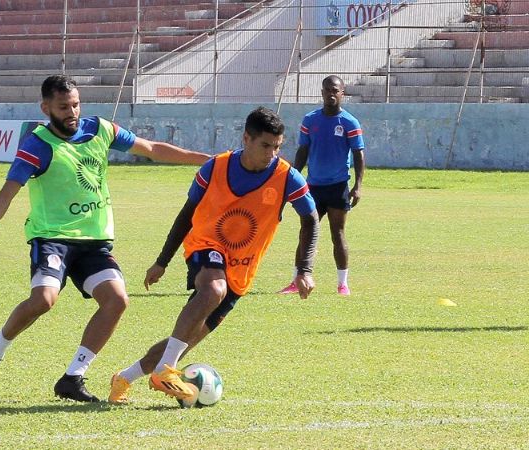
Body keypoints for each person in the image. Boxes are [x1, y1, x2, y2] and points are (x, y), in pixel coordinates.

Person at [0, 74, 210, 402]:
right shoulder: (37, 145)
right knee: (43, 300)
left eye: (76, 104)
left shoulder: (100, 129)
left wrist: (207, 160)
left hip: (94, 242)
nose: (72, 112)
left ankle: (73, 377)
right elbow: (8, 192)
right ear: (46, 107)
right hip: (52, 238)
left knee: (117, 300)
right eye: (63, 106)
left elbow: (151, 149)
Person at [108, 106, 319, 405]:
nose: (271, 153)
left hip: (241, 269)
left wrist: (304, 269)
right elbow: (186, 214)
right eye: (265, 146)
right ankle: (166, 372)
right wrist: (162, 260)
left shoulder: (287, 177)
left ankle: (124, 378)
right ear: (247, 138)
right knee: (213, 289)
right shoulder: (215, 168)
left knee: (185, 339)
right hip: (205, 246)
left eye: (277, 147)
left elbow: (310, 219)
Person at [278, 75, 365, 296]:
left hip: (337, 186)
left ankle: (342, 283)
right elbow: (303, 151)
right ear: (322, 92)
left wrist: (358, 185)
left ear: (342, 93)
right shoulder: (310, 120)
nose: (330, 94)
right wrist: (293, 177)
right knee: (306, 232)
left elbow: (358, 154)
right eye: (327, 90)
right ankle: (297, 279)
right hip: (313, 187)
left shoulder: (349, 122)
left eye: (335, 90)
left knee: (338, 233)